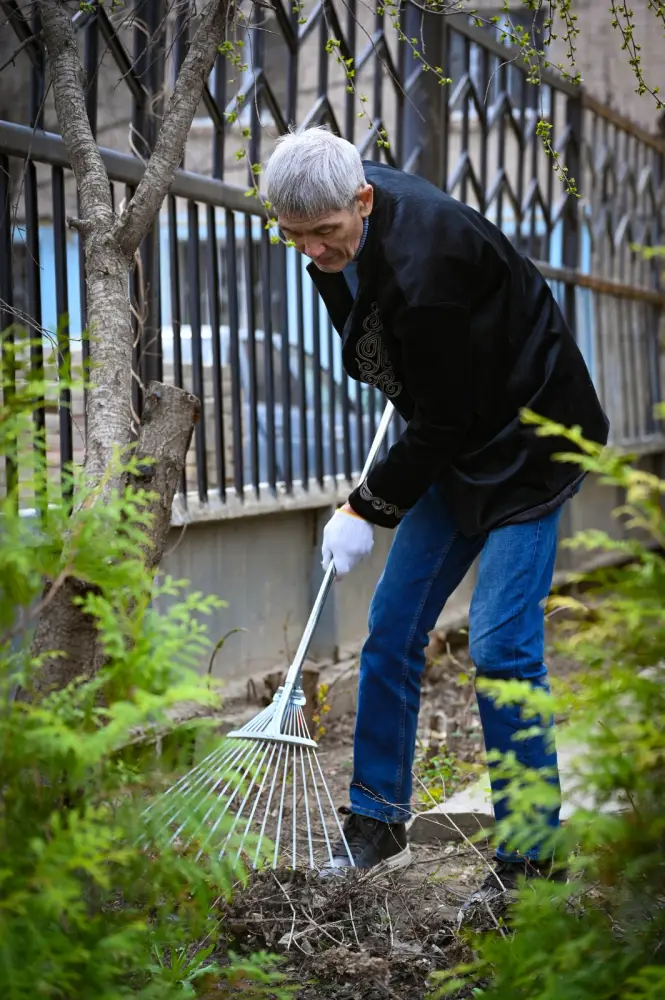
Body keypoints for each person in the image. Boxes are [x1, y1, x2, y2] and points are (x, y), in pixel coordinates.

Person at [264, 125, 609, 912]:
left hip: (529, 445)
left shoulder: (430, 266)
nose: (314, 250)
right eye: (296, 238)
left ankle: (530, 861)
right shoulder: (336, 202)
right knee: (391, 628)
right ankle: (377, 820)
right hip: (457, 444)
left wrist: (367, 505)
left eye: (327, 234)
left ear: (363, 199)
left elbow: (443, 417)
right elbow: (428, 394)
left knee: (499, 648)